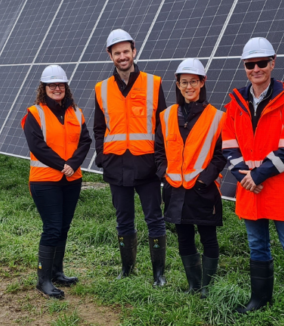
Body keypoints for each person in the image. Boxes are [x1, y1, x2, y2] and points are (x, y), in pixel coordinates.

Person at [222, 38, 284, 326]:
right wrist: (244, 177)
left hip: (281, 188)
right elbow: (228, 145)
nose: (257, 68)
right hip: (251, 189)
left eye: (262, 63)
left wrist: (255, 176)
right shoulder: (236, 102)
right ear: (245, 67)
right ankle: (260, 299)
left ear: (273, 63)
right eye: (251, 64)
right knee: (256, 245)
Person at [94, 29, 168, 286]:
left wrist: (161, 162)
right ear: (110, 55)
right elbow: (98, 127)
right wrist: (101, 157)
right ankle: (127, 269)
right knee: (123, 218)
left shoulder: (153, 83)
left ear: (134, 51)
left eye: (126, 51)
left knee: (154, 218)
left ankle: (159, 274)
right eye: (117, 53)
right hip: (116, 165)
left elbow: (163, 125)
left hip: (146, 165)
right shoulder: (101, 88)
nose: (122, 56)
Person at [154, 58, 226, 298]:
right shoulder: (166, 116)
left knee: (208, 237)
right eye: (184, 82)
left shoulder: (218, 117)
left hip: (203, 189)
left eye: (193, 82)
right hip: (175, 189)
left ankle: (207, 288)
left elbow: (220, 155)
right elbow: (158, 149)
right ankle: (193, 286)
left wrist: (205, 179)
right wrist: (163, 170)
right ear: (177, 84)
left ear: (202, 82)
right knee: (184, 237)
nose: (189, 87)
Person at [21, 65, 92, 299]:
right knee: (52, 228)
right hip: (45, 181)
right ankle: (43, 280)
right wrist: (63, 165)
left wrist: (72, 163)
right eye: (52, 85)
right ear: (44, 88)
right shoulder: (34, 113)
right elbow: (37, 146)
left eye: (60, 84)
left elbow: (85, 140)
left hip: (71, 180)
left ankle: (57, 272)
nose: (57, 88)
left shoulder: (76, 112)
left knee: (63, 227)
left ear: (66, 87)